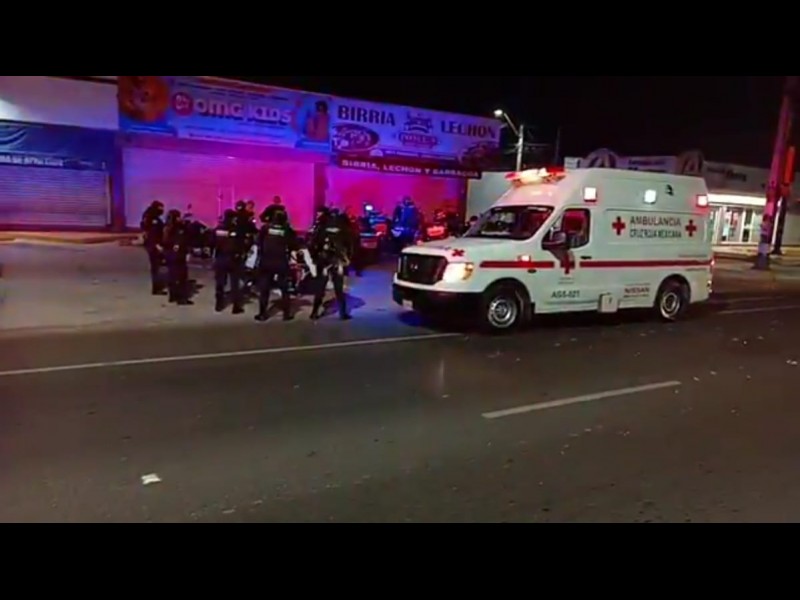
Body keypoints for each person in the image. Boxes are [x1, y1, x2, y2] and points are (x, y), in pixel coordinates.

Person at [254, 209, 300, 322]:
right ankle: (286, 314)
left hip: (266, 260)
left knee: (264, 288)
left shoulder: (265, 228)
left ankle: (262, 314)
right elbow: (294, 244)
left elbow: (258, 242)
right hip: (281, 261)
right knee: (284, 288)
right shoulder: (287, 230)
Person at [308, 208, 351, 321]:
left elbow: (313, 243)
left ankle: (314, 313)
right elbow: (350, 243)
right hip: (338, 261)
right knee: (339, 288)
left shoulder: (322, 227)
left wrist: (314, 257)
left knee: (320, 287)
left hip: (324, 260)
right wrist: (347, 258)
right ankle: (343, 313)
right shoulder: (343, 227)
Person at [213, 206, 253, 314]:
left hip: (220, 258)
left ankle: (219, 304)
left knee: (220, 283)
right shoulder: (236, 230)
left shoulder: (218, 229)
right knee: (234, 283)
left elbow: (212, 242)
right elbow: (242, 244)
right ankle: (236, 306)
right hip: (233, 259)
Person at [163, 209, 193, 305]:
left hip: (170, 255)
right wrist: (187, 252)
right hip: (179, 256)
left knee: (172, 275)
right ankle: (181, 298)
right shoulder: (179, 229)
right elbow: (183, 241)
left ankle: (172, 296)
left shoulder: (167, 228)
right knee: (181, 277)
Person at [140, 201, 166, 295]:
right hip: (154, 246)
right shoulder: (152, 219)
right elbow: (153, 234)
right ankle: (156, 288)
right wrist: (157, 245)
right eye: (161, 208)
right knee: (156, 267)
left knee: (156, 267)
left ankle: (157, 287)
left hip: (151, 245)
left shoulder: (148, 216)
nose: (162, 210)